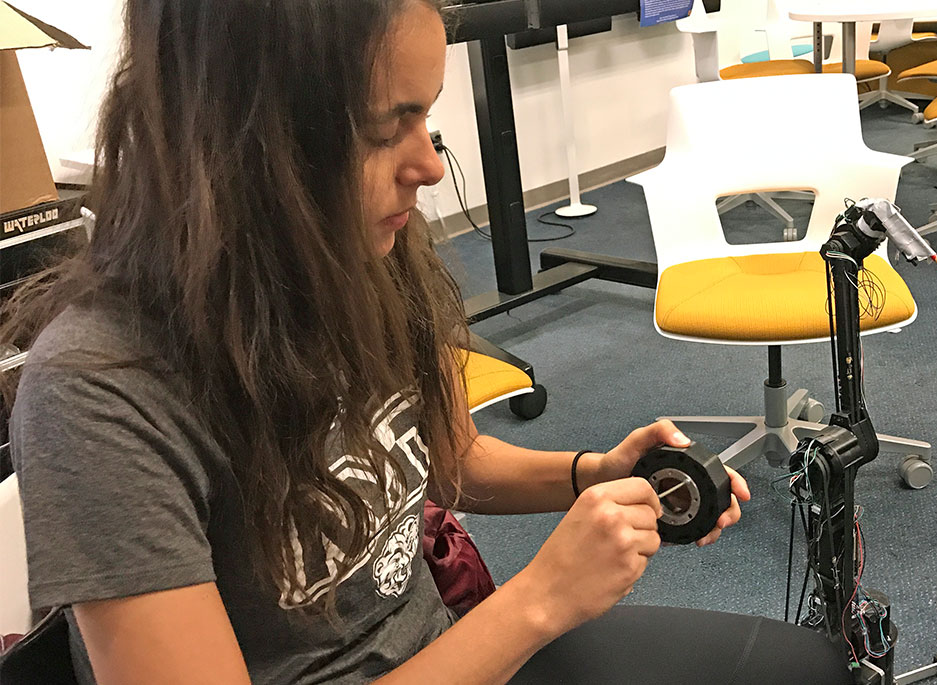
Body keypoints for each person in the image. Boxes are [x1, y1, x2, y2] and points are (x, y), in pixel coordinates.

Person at [3, 1, 851, 683]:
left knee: (810, 668)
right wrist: (539, 600)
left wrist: (592, 472)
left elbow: (451, 461)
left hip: (452, 648)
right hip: (477, 645)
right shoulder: (100, 393)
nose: (431, 164)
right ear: (246, 138)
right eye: (385, 128)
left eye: (427, 118)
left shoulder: (359, 253)